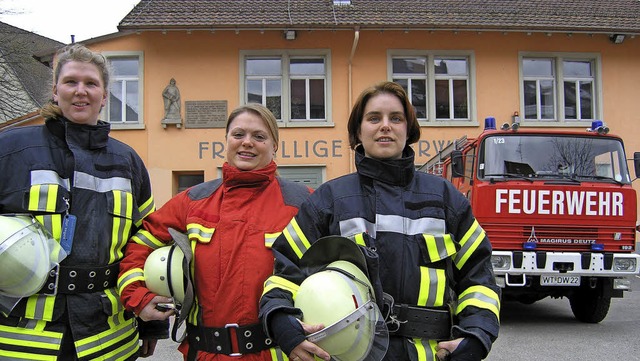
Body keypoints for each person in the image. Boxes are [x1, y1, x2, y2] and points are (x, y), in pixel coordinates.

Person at [259, 81, 501, 361]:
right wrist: (282, 322)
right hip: (348, 354)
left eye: (395, 118)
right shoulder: (329, 200)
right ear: (358, 132)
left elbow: (479, 278)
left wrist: (476, 336)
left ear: (408, 129)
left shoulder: (446, 200)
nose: (385, 125)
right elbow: (285, 273)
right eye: (374, 118)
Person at [0, 44, 166, 359]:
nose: (81, 91)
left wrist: (151, 325)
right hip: (18, 340)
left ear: (104, 96)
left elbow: (146, 243)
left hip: (109, 339)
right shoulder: (10, 149)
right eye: (71, 82)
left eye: (91, 83)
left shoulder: (128, 161)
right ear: (54, 91)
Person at [118, 103, 313, 360]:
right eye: (238, 134)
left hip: (277, 352)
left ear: (275, 145)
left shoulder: (303, 203)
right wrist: (137, 296)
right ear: (226, 140)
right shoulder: (192, 201)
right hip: (205, 353)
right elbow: (139, 245)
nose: (247, 143)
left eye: (259, 136)